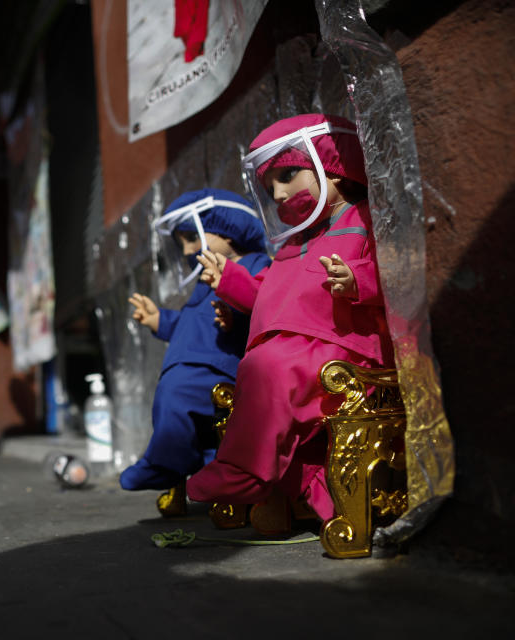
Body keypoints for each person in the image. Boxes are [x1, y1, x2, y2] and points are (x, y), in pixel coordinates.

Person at [187, 114, 394, 523]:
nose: (279, 193)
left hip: (345, 349)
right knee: (261, 368)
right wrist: (229, 281)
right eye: (270, 187)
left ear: (332, 168)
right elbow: (264, 295)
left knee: (271, 368)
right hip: (293, 350)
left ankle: (244, 472)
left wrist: (359, 280)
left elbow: (398, 274)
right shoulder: (293, 243)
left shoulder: (365, 218)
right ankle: (311, 491)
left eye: (288, 175)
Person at [121, 189, 270, 492]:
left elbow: (263, 303)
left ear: (229, 229)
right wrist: (159, 320)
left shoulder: (255, 263)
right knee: (172, 404)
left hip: (217, 365)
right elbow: (193, 324)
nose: (188, 250)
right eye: (182, 243)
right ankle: (203, 464)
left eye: (192, 237)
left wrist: (234, 314)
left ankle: (165, 464)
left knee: (177, 399)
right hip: (190, 363)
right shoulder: (203, 277)